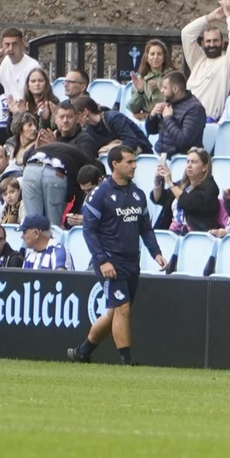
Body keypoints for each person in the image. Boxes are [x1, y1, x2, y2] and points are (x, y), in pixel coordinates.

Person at [66, 148, 165, 365]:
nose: (134, 165)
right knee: (123, 308)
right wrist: (102, 260)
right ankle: (127, 361)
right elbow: (89, 231)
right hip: (111, 261)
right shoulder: (99, 194)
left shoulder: (138, 194)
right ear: (115, 165)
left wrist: (156, 252)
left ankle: (82, 352)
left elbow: (145, 228)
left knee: (114, 311)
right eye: (129, 162)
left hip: (132, 261)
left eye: (134, 161)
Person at [179, 0, 230, 120]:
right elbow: (186, 34)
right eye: (208, 41)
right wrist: (211, 17)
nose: (212, 44)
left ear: (222, 42)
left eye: (215, 40)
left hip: (208, 121)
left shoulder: (228, 62)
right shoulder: (197, 60)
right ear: (202, 43)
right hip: (185, 117)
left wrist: (229, 16)